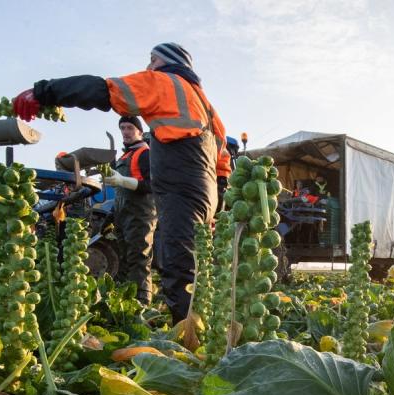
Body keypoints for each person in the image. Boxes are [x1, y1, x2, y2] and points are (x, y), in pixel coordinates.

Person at [13, 42, 231, 323]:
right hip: (204, 188)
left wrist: (44, 92)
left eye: (152, 60)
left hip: (180, 186)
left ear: (167, 62)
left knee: (177, 262)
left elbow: (105, 90)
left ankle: (190, 337)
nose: (148, 66)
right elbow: (223, 156)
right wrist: (220, 194)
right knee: (190, 258)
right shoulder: (207, 106)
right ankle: (199, 324)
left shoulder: (165, 83)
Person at [103, 115, 155, 305]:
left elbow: (152, 185)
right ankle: (127, 304)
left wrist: (123, 181)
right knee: (124, 260)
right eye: (122, 128)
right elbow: (120, 194)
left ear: (140, 132)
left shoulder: (145, 153)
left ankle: (143, 305)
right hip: (123, 215)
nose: (125, 132)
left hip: (141, 214)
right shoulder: (124, 157)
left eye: (129, 128)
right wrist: (110, 216)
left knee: (139, 259)